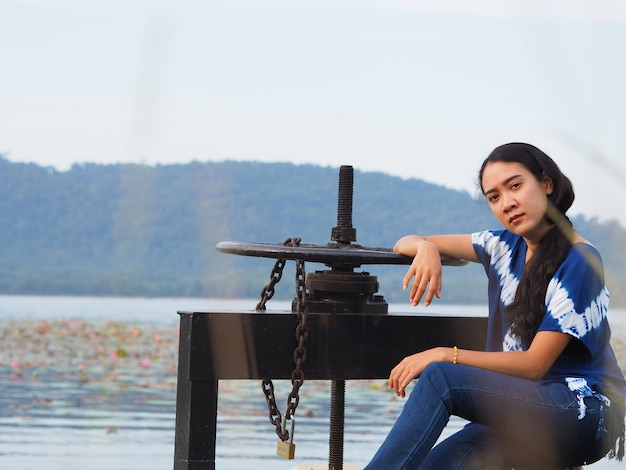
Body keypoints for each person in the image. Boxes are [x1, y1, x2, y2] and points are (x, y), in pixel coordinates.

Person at [364, 143, 625, 469]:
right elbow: (404, 243)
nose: (507, 203)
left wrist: (444, 353)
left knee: (440, 377)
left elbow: (534, 365)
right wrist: (426, 247)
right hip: (522, 405)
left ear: (546, 183)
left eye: (515, 186)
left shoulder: (581, 260)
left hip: (584, 412)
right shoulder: (500, 245)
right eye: (494, 197)